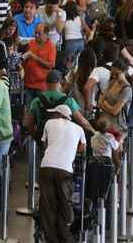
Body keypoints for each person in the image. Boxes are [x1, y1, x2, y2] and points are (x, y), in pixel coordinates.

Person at [38, 104, 86, 243]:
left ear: (60, 115)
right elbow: (82, 149)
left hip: (46, 166)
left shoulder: (49, 123)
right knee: (64, 203)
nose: (52, 116)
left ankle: (51, 239)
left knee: (48, 204)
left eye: (54, 113)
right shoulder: (79, 128)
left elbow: (44, 145)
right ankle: (66, 238)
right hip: (65, 169)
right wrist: (70, 151)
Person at [24, 69, 95, 139]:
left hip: (45, 138)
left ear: (46, 82)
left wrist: (36, 138)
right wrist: (94, 132)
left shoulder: (36, 101)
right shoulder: (68, 100)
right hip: (62, 139)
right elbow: (83, 122)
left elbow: (28, 124)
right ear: (60, 82)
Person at [22, 23, 57, 107]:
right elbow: (26, 61)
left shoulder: (51, 46)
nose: (36, 35)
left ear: (46, 34)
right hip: (28, 83)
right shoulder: (31, 43)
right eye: (35, 33)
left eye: (39, 33)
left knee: (41, 110)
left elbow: (51, 65)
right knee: (28, 108)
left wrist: (35, 57)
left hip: (42, 85)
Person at [98, 59, 133, 135]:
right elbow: (99, 102)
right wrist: (107, 106)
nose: (114, 76)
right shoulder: (112, 82)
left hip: (118, 128)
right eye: (112, 73)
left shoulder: (127, 89)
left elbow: (115, 111)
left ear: (124, 72)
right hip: (105, 125)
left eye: (117, 74)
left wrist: (105, 103)